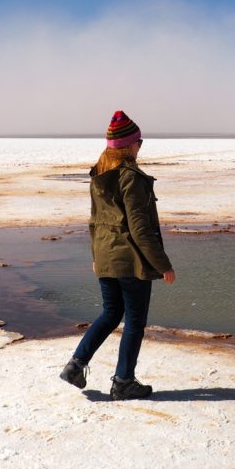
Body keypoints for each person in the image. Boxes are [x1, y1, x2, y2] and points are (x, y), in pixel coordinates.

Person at [60, 110, 176, 400]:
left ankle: (76, 365)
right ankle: (124, 381)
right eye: (139, 141)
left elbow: (95, 222)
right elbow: (139, 227)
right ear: (129, 145)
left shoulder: (100, 175)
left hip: (106, 256)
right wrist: (163, 265)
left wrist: (97, 257)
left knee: (111, 313)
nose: (141, 146)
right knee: (134, 321)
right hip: (130, 260)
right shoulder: (130, 177)